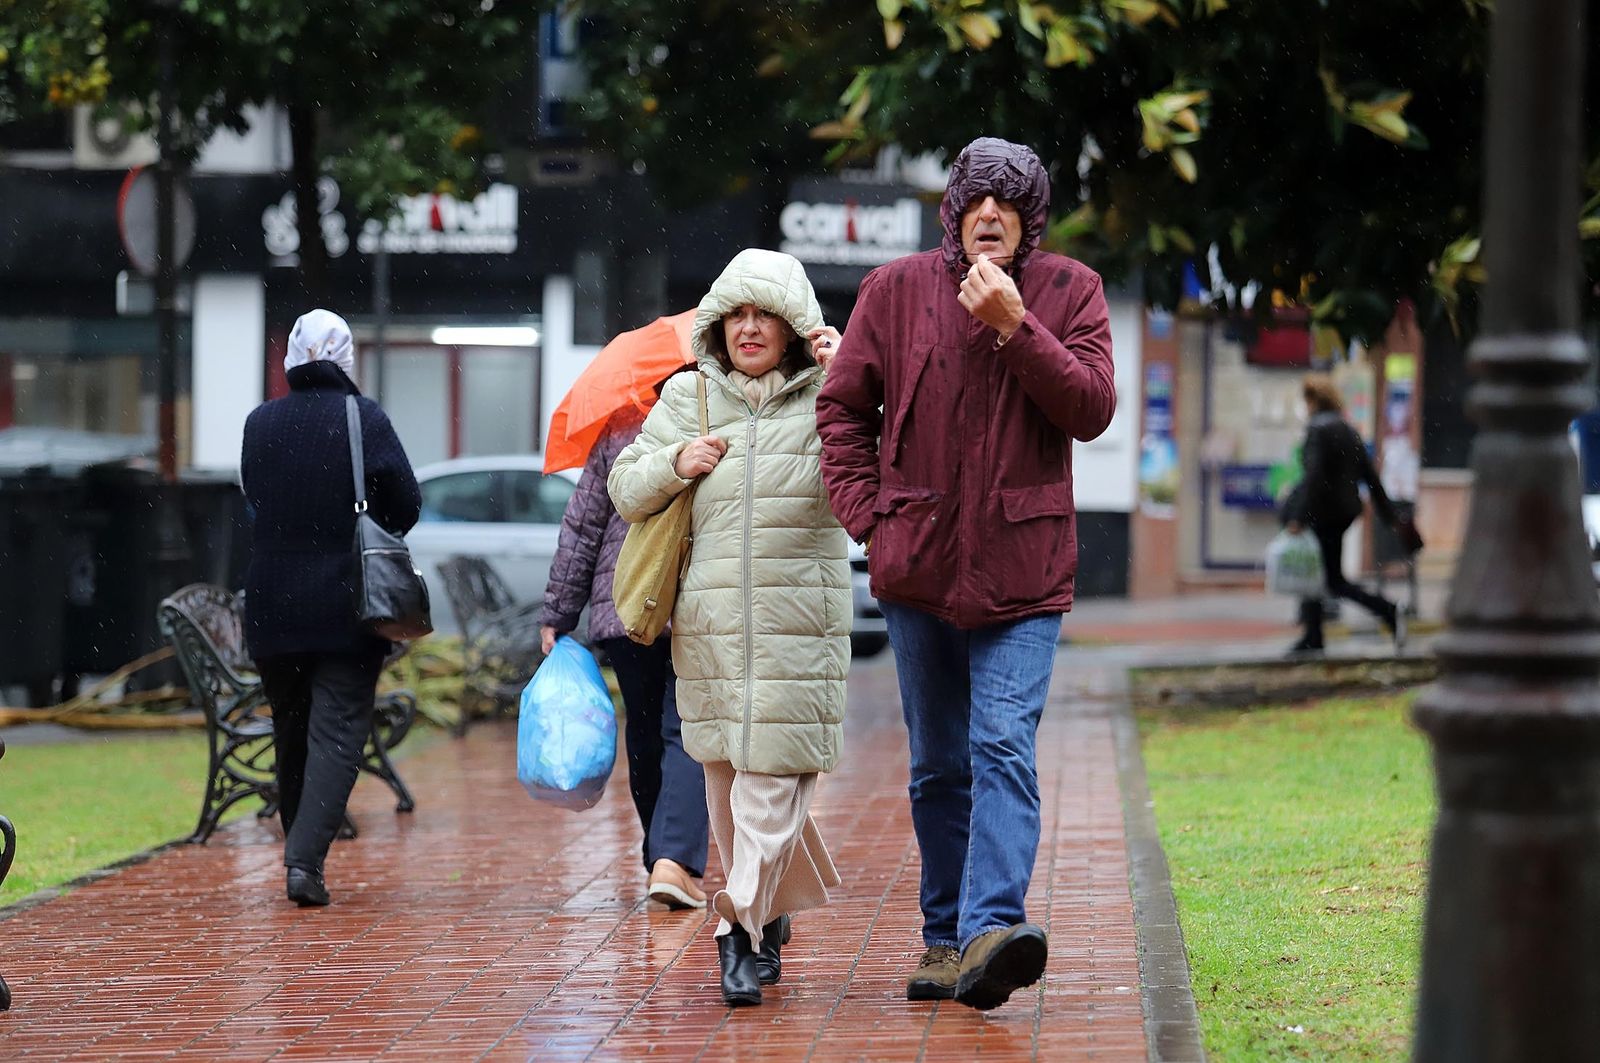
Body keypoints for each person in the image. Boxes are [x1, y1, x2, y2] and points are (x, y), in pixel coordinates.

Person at [816, 137, 1117, 1011]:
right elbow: (843, 411)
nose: (991, 212)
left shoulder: (1072, 290)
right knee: (939, 766)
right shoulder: (894, 290)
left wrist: (1016, 326)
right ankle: (945, 938)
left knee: (1002, 745)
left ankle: (991, 930)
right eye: (976, 198)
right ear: (953, 212)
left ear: (1030, 219)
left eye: (1008, 200)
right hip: (917, 568)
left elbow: (1092, 408)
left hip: (1025, 572)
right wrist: (872, 521)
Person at [609, 248, 848, 1008]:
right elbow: (624, 488)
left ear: (792, 326)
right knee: (730, 784)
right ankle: (769, 910)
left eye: (764, 315)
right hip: (709, 629)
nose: (748, 328)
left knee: (774, 781)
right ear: (718, 324)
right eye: (736, 314)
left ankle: (737, 928)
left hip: (799, 627)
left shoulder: (832, 395)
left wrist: (852, 376)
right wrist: (676, 461)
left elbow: (887, 460)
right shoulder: (690, 396)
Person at [241, 309, 420, 908]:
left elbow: (254, 497)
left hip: (272, 602)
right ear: (346, 360)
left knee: (291, 728)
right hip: (346, 602)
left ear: (292, 359)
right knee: (339, 731)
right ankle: (304, 861)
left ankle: (300, 849)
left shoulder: (260, 422)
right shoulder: (362, 417)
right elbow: (406, 503)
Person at [539, 403, 711, 909]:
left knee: (644, 730)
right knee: (687, 729)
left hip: (627, 603)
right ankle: (673, 858)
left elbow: (583, 527)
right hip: (694, 602)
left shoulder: (621, 425)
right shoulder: (715, 419)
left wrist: (559, 612)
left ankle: (660, 855)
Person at [1281, 374, 1407, 654]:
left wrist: (1298, 516)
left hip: (1322, 514)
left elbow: (1314, 477)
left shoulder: (1318, 429)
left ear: (1314, 401)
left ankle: (1387, 610)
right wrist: (1389, 514)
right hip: (1343, 513)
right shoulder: (1347, 429)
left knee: (1330, 579)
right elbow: (1369, 475)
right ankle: (1313, 635)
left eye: (1306, 400)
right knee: (1318, 574)